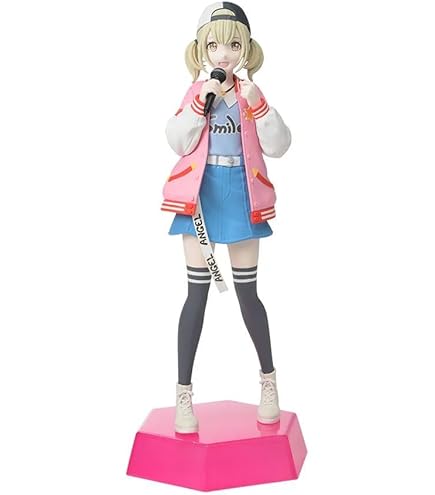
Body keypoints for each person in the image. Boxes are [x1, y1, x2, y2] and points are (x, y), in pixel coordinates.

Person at [161, 2, 292, 433]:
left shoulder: (251, 95)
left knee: (247, 294)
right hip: (201, 198)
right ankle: (183, 393)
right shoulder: (197, 94)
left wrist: (261, 106)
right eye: (214, 45)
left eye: (233, 45)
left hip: (242, 196)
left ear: (246, 49)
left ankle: (268, 382)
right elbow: (177, 141)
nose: (223, 54)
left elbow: (279, 145)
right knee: (195, 296)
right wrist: (202, 102)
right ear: (201, 48)